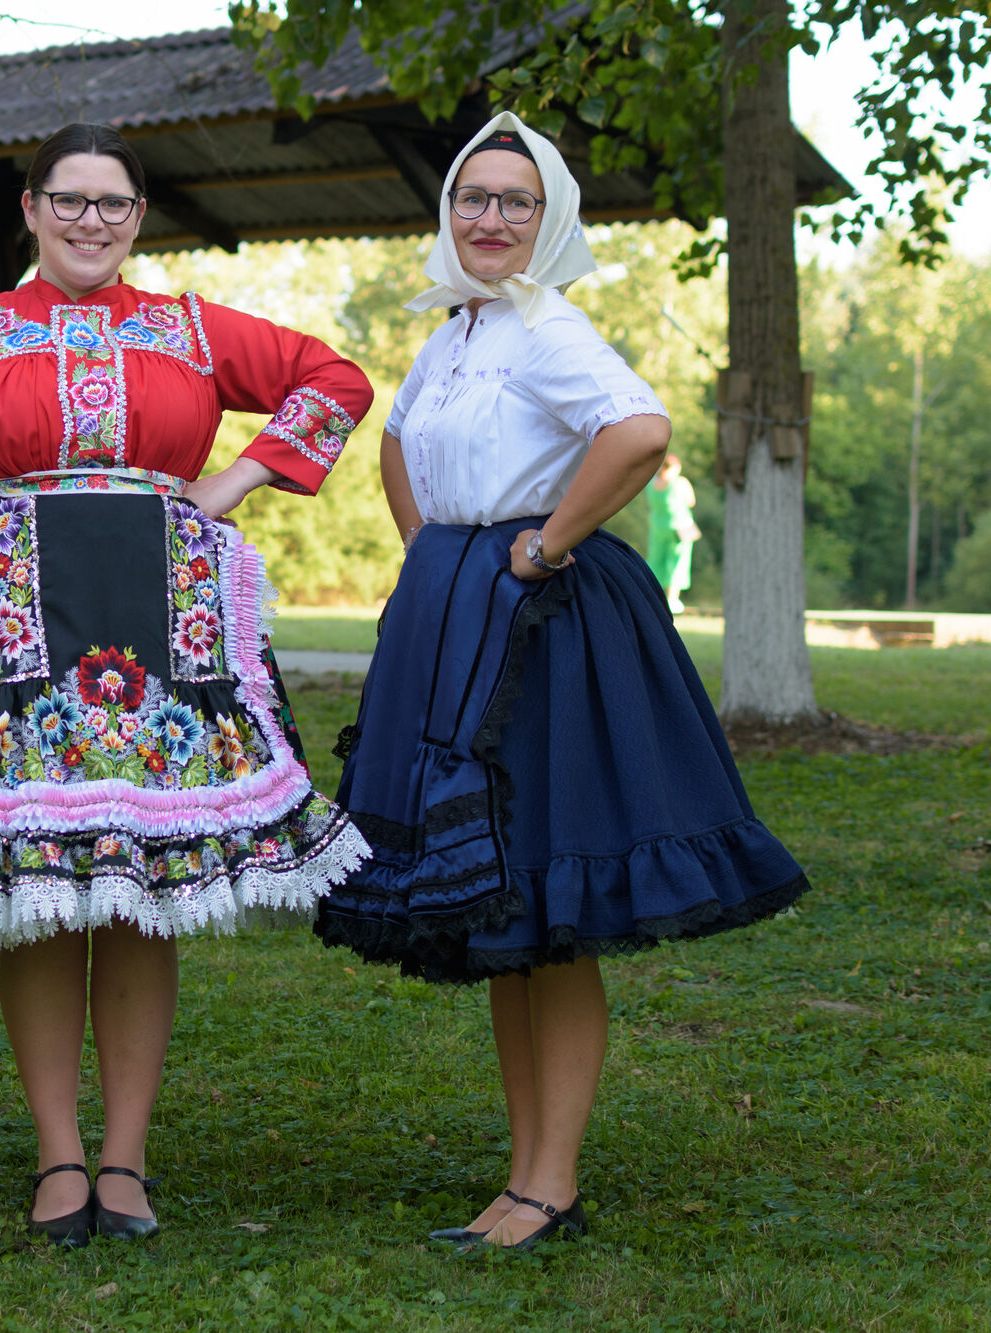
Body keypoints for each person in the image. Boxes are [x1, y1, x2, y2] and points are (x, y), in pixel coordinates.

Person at [0, 123, 373, 1246]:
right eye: (69, 199)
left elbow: (334, 381)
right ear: (30, 207)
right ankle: (59, 1151)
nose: (90, 221)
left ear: (138, 217)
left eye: (112, 203)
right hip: (16, 617)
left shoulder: (189, 328)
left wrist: (235, 480)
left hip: (162, 615)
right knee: (42, 890)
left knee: (143, 887)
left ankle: (125, 1155)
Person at [317, 114, 809, 1252]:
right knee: (504, 911)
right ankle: (525, 1174)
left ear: (550, 220)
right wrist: (425, 549)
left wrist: (541, 545)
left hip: (541, 631)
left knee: (551, 898)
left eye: (516, 201)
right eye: (472, 197)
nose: (490, 218)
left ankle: (549, 1184)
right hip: (463, 615)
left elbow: (638, 430)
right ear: (449, 211)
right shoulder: (454, 330)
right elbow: (396, 440)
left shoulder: (545, 326)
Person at [645, 453, 700, 613]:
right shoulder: (679, 482)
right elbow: (691, 501)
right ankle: (672, 600)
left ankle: (652, 595)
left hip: (657, 526)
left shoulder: (651, 483)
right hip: (679, 526)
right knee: (677, 562)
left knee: (656, 560)